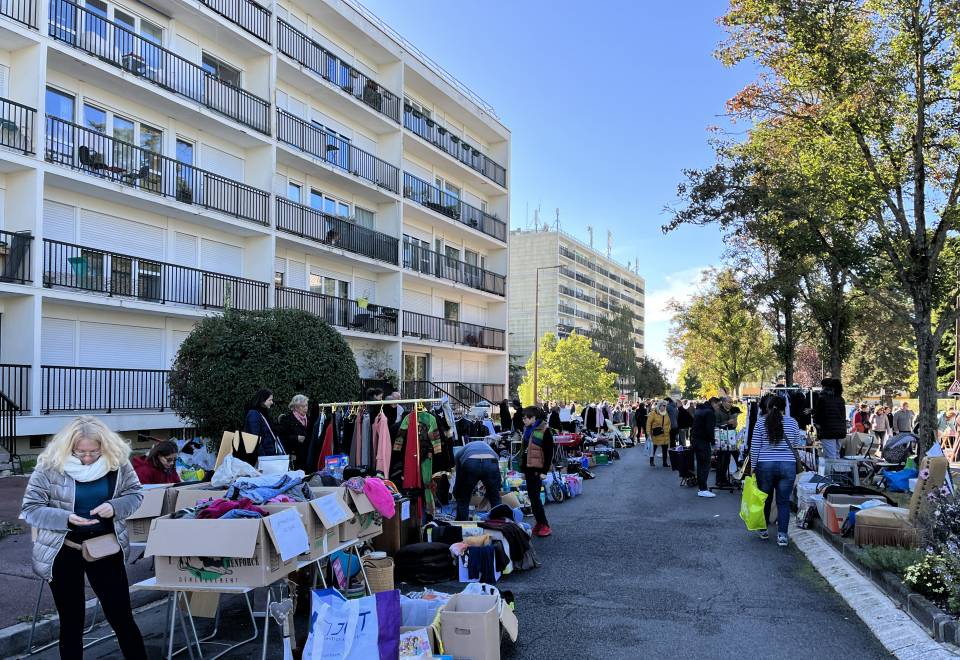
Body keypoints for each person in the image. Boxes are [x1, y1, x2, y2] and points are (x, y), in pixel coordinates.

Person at [20, 416, 147, 659]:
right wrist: (65, 518)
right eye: (80, 453)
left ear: (105, 447)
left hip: (105, 547)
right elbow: (31, 509)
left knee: (121, 617)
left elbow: (135, 494)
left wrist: (115, 506)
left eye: (94, 452)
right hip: (64, 549)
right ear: (68, 447)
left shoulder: (117, 462)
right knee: (71, 621)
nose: (87, 458)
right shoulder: (49, 465)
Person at [750, 395, 802, 547]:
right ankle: (782, 536)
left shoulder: (760, 422)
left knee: (764, 498)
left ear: (767, 407)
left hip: (765, 465)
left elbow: (755, 447)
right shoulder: (792, 422)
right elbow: (796, 444)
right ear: (784, 408)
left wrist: (753, 466)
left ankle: (763, 530)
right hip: (787, 465)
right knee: (783, 502)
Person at [520, 407, 554, 537]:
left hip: (537, 469)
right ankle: (540, 523)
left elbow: (549, 452)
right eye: (523, 418)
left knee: (535, 498)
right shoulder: (527, 430)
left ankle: (544, 524)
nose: (523, 420)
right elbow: (524, 451)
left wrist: (544, 470)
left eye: (525, 418)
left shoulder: (544, 430)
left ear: (533, 418)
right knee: (533, 497)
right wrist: (522, 468)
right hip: (529, 468)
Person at [453, 439, 502, 520]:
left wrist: (456, 490)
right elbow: (497, 479)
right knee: (495, 497)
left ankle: (462, 526)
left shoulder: (459, 453)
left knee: (463, 499)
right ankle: (500, 524)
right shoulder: (488, 447)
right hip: (491, 461)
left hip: (470, 462)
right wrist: (493, 489)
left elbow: (459, 477)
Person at [691, 398, 720, 498]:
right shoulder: (709, 413)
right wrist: (713, 443)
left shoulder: (699, 410)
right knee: (705, 465)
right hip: (703, 442)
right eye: (717, 405)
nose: (718, 407)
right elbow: (709, 430)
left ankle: (701, 488)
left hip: (696, 440)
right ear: (713, 403)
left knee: (701, 464)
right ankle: (703, 489)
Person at [244, 389, 284, 457]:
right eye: (270, 400)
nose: (272, 402)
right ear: (262, 400)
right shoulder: (254, 414)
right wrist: (262, 457)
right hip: (263, 455)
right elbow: (255, 438)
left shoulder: (262, 413)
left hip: (268, 453)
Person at [813, 378, 847, 459]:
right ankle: (839, 471)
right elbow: (843, 416)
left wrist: (817, 423)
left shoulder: (822, 398)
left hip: (828, 431)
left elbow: (819, 414)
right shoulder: (841, 399)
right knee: (837, 455)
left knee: (830, 457)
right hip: (840, 431)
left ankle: (831, 472)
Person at [278, 394, 311, 470]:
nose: (306, 408)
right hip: (295, 459)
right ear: (295, 407)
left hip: (307, 457)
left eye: (306, 405)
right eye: (303, 406)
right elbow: (281, 438)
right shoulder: (287, 420)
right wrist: (296, 438)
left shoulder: (309, 419)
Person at [645, 401, 672, 467]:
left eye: (665, 406)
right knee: (653, 448)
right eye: (663, 405)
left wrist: (668, 429)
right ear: (659, 406)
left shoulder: (666, 413)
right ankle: (651, 461)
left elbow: (669, 423)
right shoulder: (653, 413)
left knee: (665, 449)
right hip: (656, 434)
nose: (665, 407)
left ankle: (665, 463)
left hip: (665, 434)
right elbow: (648, 423)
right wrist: (648, 433)